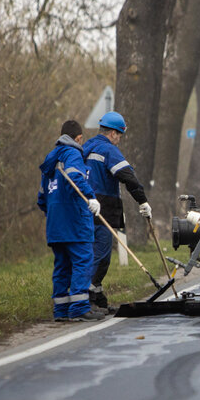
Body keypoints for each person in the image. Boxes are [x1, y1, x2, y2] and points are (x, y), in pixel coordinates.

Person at [37, 120, 106, 322]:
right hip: (75, 223)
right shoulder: (73, 153)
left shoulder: (50, 160)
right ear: (79, 138)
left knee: (62, 267)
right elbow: (76, 177)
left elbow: (41, 199)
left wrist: (54, 214)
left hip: (55, 226)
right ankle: (79, 308)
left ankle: (61, 310)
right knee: (82, 262)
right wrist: (91, 197)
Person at [83, 111, 151, 313]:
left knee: (87, 253)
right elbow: (127, 176)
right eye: (119, 135)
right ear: (113, 133)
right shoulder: (108, 150)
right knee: (101, 255)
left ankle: (96, 294)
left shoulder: (85, 147)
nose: (119, 140)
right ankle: (89, 299)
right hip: (102, 209)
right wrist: (143, 201)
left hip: (82, 208)